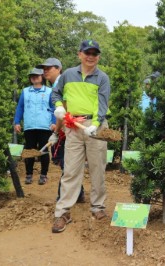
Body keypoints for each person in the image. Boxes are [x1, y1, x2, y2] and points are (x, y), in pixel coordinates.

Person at [49, 40, 110, 233]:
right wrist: (59, 107)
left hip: (94, 126)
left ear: (98, 56)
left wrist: (96, 125)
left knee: (97, 168)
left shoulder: (102, 78)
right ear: (79, 54)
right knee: (71, 170)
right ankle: (62, 212)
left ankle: (98, 207)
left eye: (94, 53)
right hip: (72, 127)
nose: (90, 56)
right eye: (87, 53)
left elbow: (102, 104)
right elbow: (56, 94)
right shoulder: (67, 74)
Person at [36, 58, 85, 203]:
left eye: (48, 68)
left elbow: (62, 111)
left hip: (68, 129)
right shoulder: (57, 85)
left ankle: (64, 195)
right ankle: (78, 193)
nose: (45, 71)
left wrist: (56, 132)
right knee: (67, 163)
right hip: (68, 128)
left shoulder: (60, 84)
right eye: (43, 68)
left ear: (58, 69)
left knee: (67, 163)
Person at [14, 68, 56, 185]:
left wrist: (53, 122)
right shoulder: (25, 91)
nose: (34, 77)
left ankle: (43, 174)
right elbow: (20, 107)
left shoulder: (49, 91)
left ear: (42, 77)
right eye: (32, 76)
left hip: (44, 126)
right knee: (29, 151)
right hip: (29, 126)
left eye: (37, 76)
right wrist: (17, 122)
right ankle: (29, 174)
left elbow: (54, 108)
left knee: (43, 151)